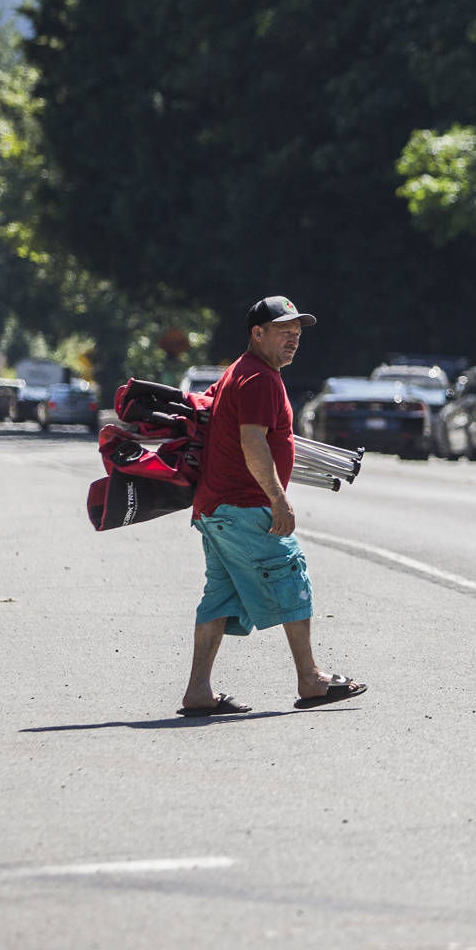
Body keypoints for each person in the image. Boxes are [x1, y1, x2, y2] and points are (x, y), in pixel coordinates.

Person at [179, 296, 366, 717]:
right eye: (283, 330)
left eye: (297, 332)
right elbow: (252, 440)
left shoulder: (240, 372)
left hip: (216, 509)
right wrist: (278, 501)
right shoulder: (260, 378)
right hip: (243, 507)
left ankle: (198, 691)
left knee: (221, 596)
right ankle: (311, 678)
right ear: (257, 333)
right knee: (290, 574)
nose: (293, 339)